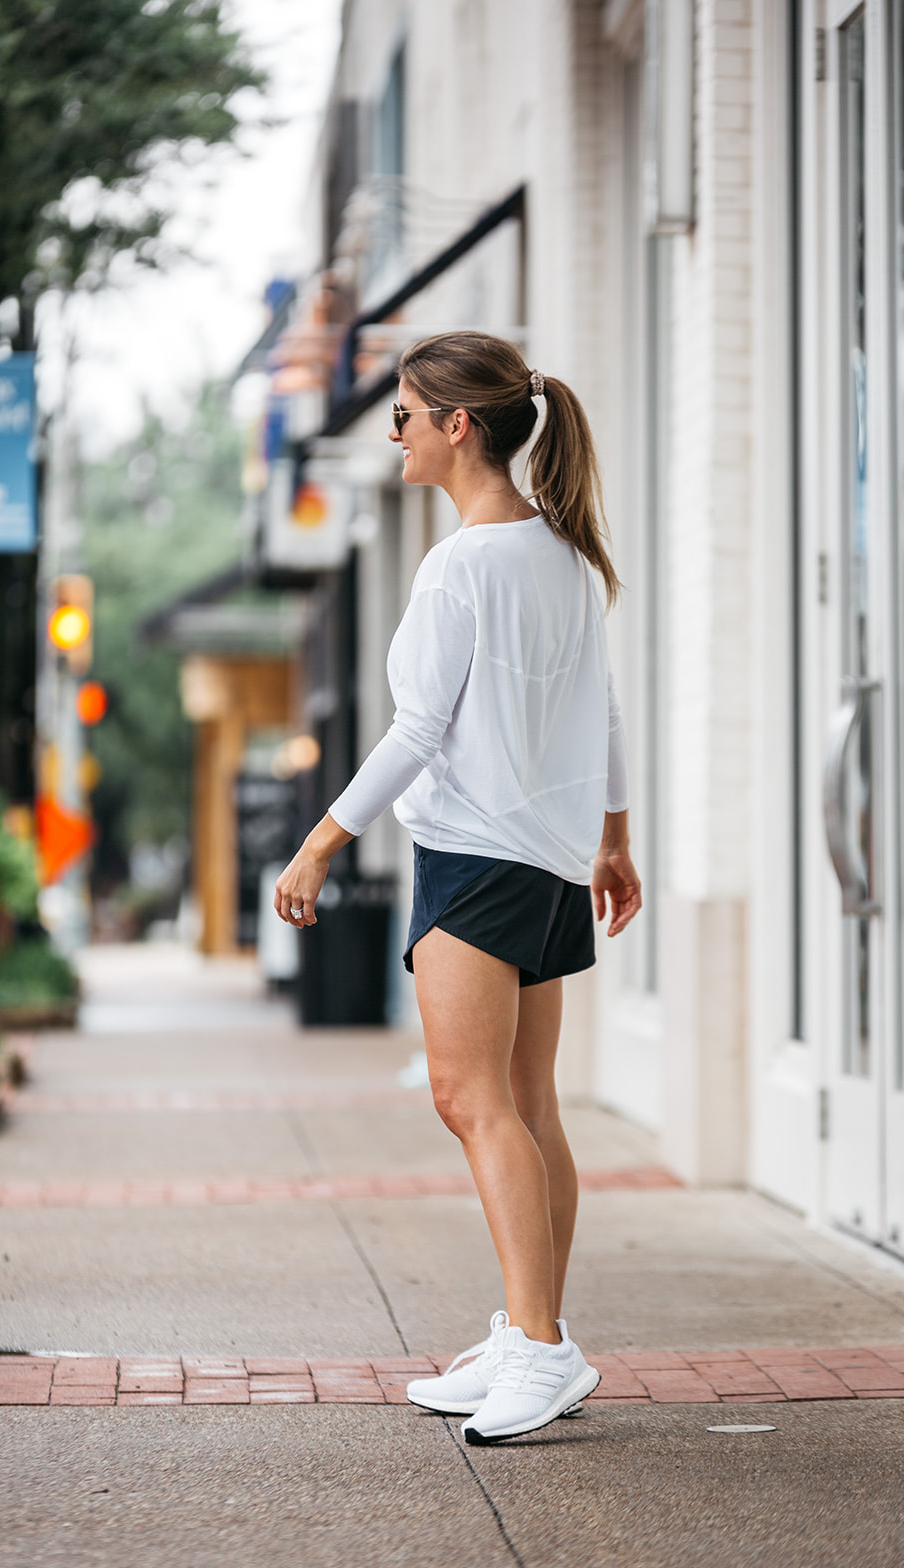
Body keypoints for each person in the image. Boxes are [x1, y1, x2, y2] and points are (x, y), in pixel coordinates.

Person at [274, 330, 642, 1444]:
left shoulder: (461, 566)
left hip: (475, 861)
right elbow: (604, 710)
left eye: (400, 416)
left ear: (455, 425)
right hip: (543, 861)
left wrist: (320, 842)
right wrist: (612, 838)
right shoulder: (565, 557)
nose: (393, 434)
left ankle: (538, 1346)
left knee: (469, 1099)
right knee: (527, 1107)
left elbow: (416, 732)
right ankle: (529, 1332)